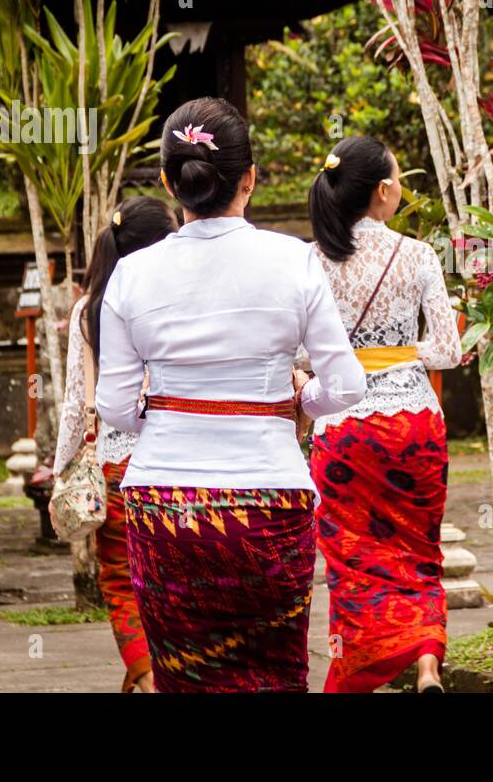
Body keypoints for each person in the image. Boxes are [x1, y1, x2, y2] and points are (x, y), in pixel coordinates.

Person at [95, 97, 366, 692]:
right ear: (250, 178)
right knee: (274, 676)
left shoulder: (131, 275)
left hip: (163, 508)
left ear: (169, 182)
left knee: (185, 682)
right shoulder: (293, 261)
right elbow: (346, 384)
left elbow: (113, 408)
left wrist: (174, 417)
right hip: (269, 504)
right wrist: (299, 399)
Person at [305, 135, 461, 693]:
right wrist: (399, 355)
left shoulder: (311, 259)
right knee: (419, 549)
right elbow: (448, 350)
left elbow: (301, 356)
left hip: (344, 430)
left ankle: (357, 668)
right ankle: (424, 660)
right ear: (384, 190)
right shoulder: (417, 254)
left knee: (353, 559)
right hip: (413, 423)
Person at [50, 196, 176, 692]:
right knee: (167, 583)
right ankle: (155, 675)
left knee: (123, 582)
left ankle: (146, 682)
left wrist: (63, 470)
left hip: (115, 469)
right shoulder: (172, 300)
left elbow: (76, 401)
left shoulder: (89, 309)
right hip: (173, 466)